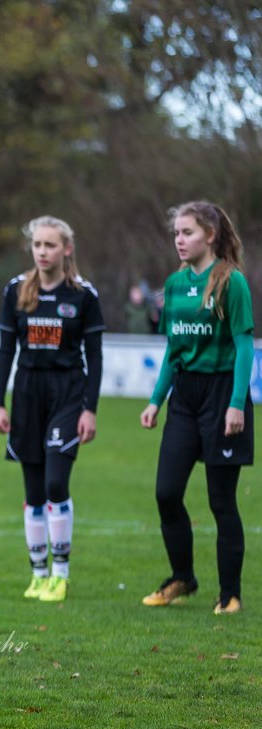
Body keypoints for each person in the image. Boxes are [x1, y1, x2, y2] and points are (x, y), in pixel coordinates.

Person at [139, 201, 254, 614]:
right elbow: (174, 348)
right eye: (176, 234)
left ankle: (230, 594)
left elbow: (244, 346)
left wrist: (237, 404)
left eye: (187, 232)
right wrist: (156, 400)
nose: (179, 240)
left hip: (223, 396)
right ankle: (182, 577)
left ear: (210, 234)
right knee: (166, 492)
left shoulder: (230, 282)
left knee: (221, 500)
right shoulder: (173, 284)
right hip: (184, 398)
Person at [0, 216, 105, 603]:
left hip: (67, 394)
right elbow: (7, 350)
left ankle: (61, 573)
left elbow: (95, 357)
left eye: (50, 245)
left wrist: (89, 409)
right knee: (34, 492)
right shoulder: (16, 290)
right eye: (37, 245)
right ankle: (38, 574)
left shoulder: (84, 295)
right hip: (26, 394)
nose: (42, 251)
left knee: (57, 484)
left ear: (66, 249)